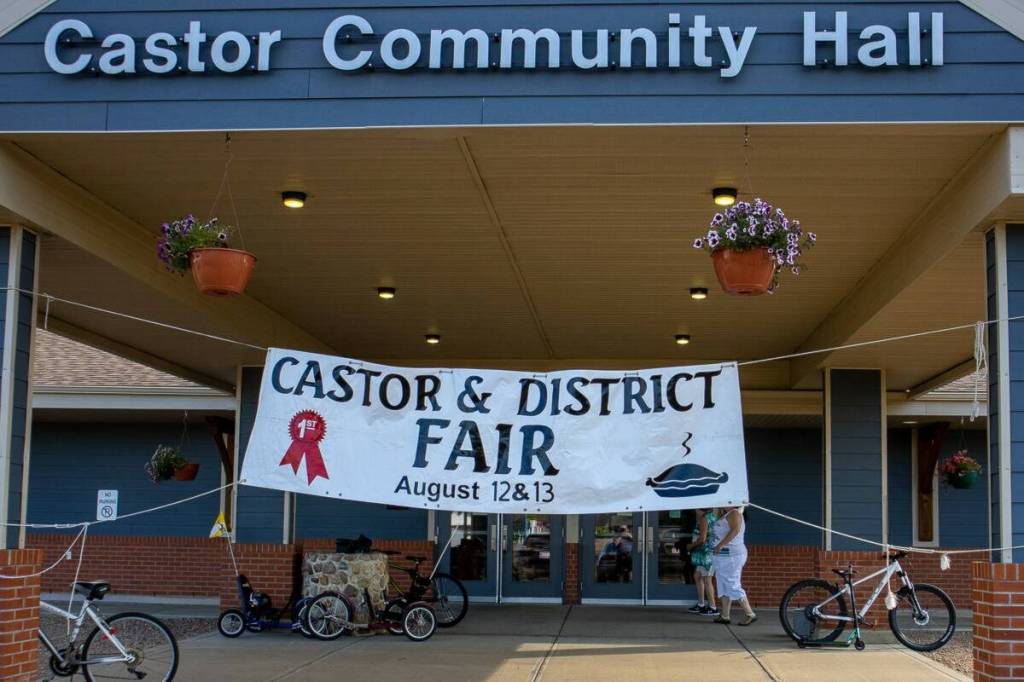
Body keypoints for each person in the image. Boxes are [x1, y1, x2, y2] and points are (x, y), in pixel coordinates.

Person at [711, 506, 756, 626]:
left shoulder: (734, 513)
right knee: (723, 584)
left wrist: (720, 545)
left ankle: (749, 613)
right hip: (724, 555)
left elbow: (735, 530)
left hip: (731, 555)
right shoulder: (726, 514)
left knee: (732, 583)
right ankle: (725, 615)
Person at [685, 508, 719, 616]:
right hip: (704, 553)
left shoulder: (704, 519)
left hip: (706, 554)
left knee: (707, 579)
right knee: (697, 576)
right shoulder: (712, 517)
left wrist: (691, 546)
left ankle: (713, 607)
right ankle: (701, 604)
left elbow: (702, 538)